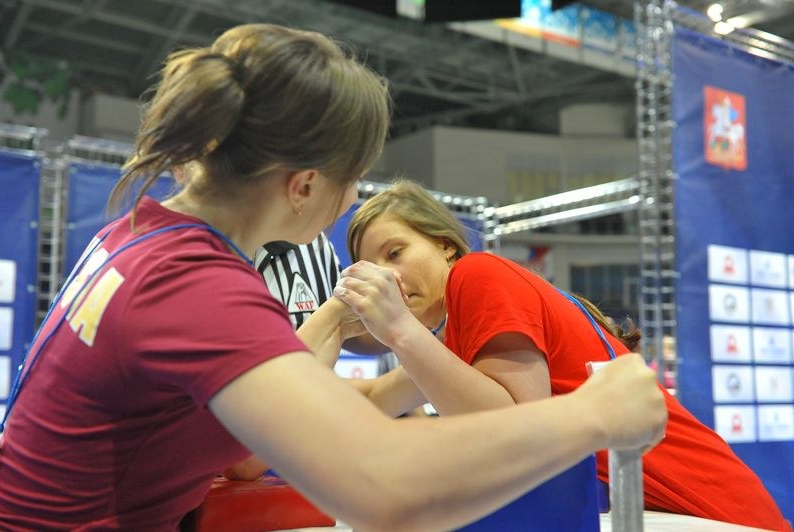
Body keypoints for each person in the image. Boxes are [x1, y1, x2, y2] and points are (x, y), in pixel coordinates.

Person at [0, 24, 667, 531]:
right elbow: (382, 485)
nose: (349, 205)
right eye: (351, 185)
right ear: (307, 183)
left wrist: (347, 324)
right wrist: (593, 414)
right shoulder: (193, 283)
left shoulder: (143, 238)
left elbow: (247, 445)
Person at [337, 179, 791, 532]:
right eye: (373, 269)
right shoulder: (455, 337)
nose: (388, 278)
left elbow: (518, 430)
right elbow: (376, 396)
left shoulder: (478, 273)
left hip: (706, 508)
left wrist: (398, 330)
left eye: (395, 253)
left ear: (445, 245)